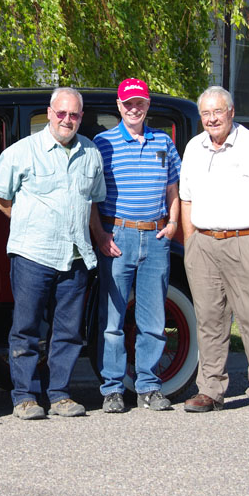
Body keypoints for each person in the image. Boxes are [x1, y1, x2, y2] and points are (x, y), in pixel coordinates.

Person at [0, 87, 106, 420]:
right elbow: (0, 197)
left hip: (77, 256)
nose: (67, 120)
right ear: (49, 113)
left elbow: (93, 203)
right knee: (26, 328)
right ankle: (24, 397)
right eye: (61, 113)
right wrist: (28, 220)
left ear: (80, 118)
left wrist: (98, 235)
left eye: (74, 115)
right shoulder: (21, 153)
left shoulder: (91, 154)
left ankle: (60, 395)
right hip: (32, 255)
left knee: (68, 331)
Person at [179, 85, 249, 415]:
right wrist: (190, 242)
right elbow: (186, 198)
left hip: (245, 243)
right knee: (209, 320)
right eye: (206, 114)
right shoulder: (194, 148)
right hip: (204, 245)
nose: (212, 119)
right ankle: (210, 390)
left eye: (218, 112)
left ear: (231, 112)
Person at [88, 78, 181, 413]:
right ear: (118, 106)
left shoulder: (164, 143)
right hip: (118, 237)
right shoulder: (103, 143)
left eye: (139, 103)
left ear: (147, 105)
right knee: (112, 318)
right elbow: (92, 197)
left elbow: (173, 189)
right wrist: (100, 234)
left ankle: (149, 386)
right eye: (128, 103)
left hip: (156, 237)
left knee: (153, 319)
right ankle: (112, 388)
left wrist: (172, 224)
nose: (134, 109)